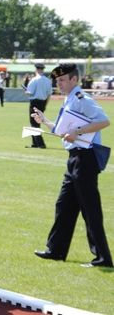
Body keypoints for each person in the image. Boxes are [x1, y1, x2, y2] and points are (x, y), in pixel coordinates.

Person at [31, 63, 112, 268]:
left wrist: (78, 132)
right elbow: (63, 131)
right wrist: (45, 121)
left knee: (89, 208)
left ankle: (103, 258)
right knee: (64, 205)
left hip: (85, 158)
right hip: (75, 158)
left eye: (62, 80)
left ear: (74, 80)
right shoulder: (69, 100)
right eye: (57, 81)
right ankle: (56, 250)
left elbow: (104, 121)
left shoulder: (81, 99)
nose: (59, 84)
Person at [25, 63, 52, 148]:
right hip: (43, 102)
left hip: (34, 102)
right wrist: (45, 105)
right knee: (37, 122)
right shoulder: (48, 80)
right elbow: (49, 94)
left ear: (36, 69)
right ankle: (35, 143)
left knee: (34, 123)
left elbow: (30, 93)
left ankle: (40, 143)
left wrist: (25, 91)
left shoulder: (34, 80)